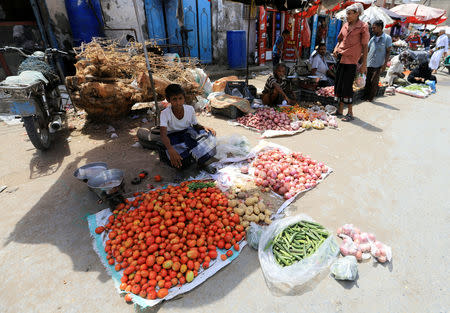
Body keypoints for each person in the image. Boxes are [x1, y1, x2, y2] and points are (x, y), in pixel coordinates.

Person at [160, 84, 217, 173]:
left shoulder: (189, 109)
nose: (178, 102)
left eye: (180, 98)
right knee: (180, 161)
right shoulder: (165, 113)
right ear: (168, 100)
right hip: (173, 136)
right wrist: (170, 149)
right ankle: (182, 165)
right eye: (174, 99)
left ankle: (202, 163)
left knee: (209, 135)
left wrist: (204, 127)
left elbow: (195, 125)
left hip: (187, 133)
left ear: (184, 98)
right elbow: (163, 135)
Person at [333, 3, 369, 121]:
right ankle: (339, 110)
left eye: (349, 14)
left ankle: (350, 113)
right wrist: (335, 48)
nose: (347, 16)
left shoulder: (363, 27)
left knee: (347, 86)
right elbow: (339, 40)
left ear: (357, 14)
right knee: (339, 84)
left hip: (351, 61)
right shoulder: (344, 25)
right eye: (346, 13)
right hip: (341, 58)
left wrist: (364, 65)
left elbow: (365, 47)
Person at [363, 20, 392, 102]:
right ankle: (365, 96)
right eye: (372, 28)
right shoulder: (373, 38)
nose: (372, 30)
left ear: (380, 28)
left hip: (379, 64)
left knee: (374, 81)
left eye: (374, 28)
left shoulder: (387, 38)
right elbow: (367, 49)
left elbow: (388, 52)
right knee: (367, 80)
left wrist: (385, 64)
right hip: (370, 62)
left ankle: (370, 97)